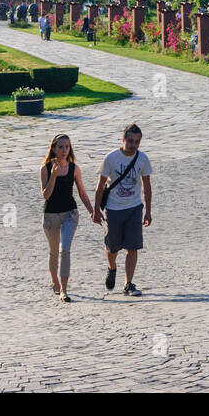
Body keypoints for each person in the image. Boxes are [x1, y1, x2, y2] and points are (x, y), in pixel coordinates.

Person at [95, 124, 153, 297]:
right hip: (113, 209)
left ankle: (128, 283)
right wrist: (96, 210)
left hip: (134, 207)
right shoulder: (111, 158)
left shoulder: (142, 159)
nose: (133, 145)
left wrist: (148, 211)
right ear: (123, 139)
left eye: (137, 142)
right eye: (130, 141)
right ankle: (112, 267)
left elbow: (147, 187)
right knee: (112, 248)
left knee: (132, 247)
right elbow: (100, 185)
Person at [40, 133, 97, 302]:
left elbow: (82, 192)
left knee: (65, 249)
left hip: (70, 214)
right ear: (54, 149)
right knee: (54, 252)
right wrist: (54, 176)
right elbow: (46, 195)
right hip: (50, 215)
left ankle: (64, 290)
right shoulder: (45, 169)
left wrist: (92, 211)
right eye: (60, 147)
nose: (64, 150)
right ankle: (54, 281)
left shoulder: (74, 168)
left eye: (67, 147)